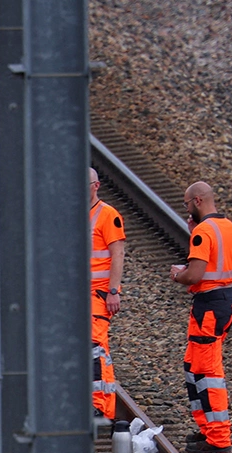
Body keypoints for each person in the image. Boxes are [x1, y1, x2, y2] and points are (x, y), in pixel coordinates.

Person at [169, 181, 232, 453]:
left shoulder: (204, 232)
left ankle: (219, 438)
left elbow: (195, 275)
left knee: (208, 372)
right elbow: (216, 264)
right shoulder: (228, 227)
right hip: (223, 301)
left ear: (197, 201)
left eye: (186, 204)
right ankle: (208, 429)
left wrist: (177, 274)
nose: (186, 209)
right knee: (194, 366)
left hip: (209, 306)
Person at [89, 168, 126, 420]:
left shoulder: (108, 214)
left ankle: (100, 406)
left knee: (95, 346)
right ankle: (98, 404)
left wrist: (113, 291)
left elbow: (118, 254)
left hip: (99, 293)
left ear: (96, 186)